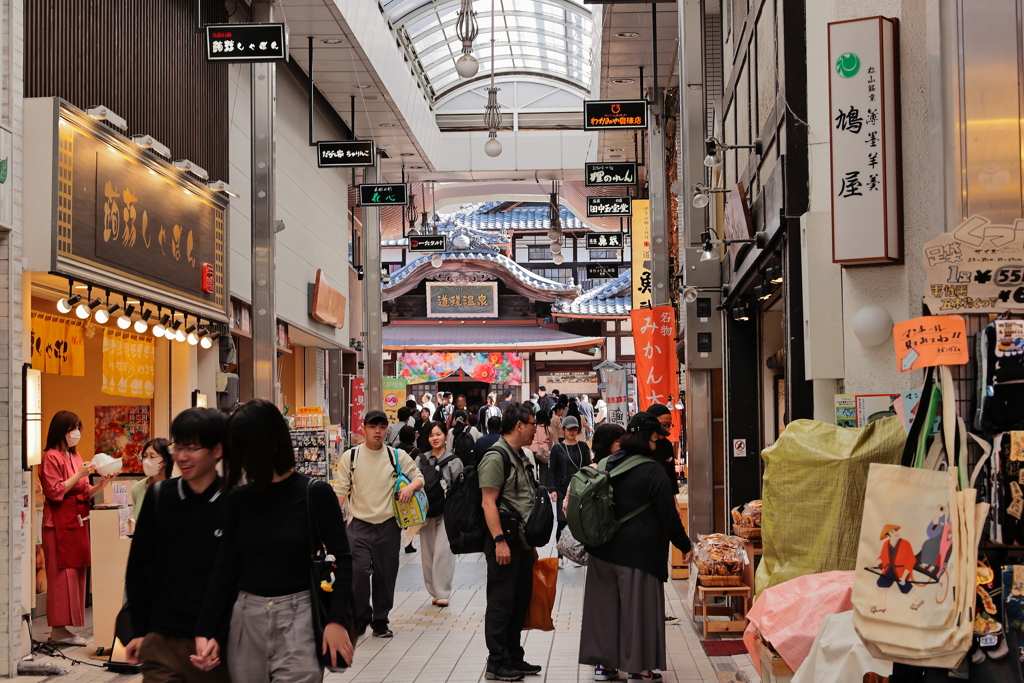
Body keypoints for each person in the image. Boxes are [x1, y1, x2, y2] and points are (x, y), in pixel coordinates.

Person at [194, 399, 354, 680]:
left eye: (243, 449)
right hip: (246, 618)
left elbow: (343, 558)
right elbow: (225, 568)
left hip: (299, 616)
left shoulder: (314, 494)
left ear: (266, 444)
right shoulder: (238, 500)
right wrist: (208, 631)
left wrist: (336, 620)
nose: (239, 459)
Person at [579, 412, 692, 683]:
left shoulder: (605, 462)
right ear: (645, 438)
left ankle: (604, 667)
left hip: (602, 549)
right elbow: (668, 516)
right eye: (655, 437)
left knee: (605, 608)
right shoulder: (652, 470)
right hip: (639, 553)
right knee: (638, 609)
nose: (657, 443)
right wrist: (684, 545)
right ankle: (639, 670)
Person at [125, 408, 230, 681]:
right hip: (162, 641)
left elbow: (237, 576)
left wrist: (219, 634)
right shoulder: (160, 497)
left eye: (192, 447)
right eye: (178, 447)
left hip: (214, 647)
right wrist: (139, 629)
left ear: (217, 450)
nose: (182, 456)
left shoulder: (233, 502)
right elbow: (138, 566)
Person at [334, 409, 424, 638]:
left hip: (389, 526)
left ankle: (380, 621)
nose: (378, 431)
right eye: (373, 427)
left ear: (387, 430)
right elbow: (340, 493)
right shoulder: (351, 457)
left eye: (382, 427)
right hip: (359, 525)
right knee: (358, 572)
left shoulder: (396, 456)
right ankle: (363, 613)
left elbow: (419, 477)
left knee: (386, 575)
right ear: (363, 429)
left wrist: (410, 487)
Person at [39, 410, 115, 645]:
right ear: (62, 430)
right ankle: (58, 629)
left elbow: (84, 492)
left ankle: (64, 629)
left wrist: (102, 484)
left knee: (76, 573)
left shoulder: (75, 456)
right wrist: (80, 474)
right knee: (60, 576)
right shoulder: (50, 457)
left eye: (78, 429)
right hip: (57, 523)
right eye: (73, 428)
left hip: (76, 520)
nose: (77, 433)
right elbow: (54, 491)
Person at [479, 404, 542, 681]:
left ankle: (514, 656)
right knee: (501, 602)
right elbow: (488, 502)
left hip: (523, 543)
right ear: (519, 426)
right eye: (532, 424)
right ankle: (496, 661)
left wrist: (532, 544)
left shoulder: (520, 455)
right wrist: (499, 542)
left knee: (519, 601)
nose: (534, 429)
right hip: (505, 541)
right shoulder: (496, 457)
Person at [415, 421, 463, 607]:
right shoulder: (420, 460)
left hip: (447, 512)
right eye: (431, 435)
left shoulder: (454, 460)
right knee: (427, 552)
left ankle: (442, 592)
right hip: (425, 512)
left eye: (438, 434)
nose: (435, 438)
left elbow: (459, 489)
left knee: (444, 551)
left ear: (446, 436)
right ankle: (433, 591)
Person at [548, 416, 591, 551]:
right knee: (561, 521)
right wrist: (553, 489)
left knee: (579, 521)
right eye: (569, 429)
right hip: (562, 489)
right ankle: (560, 553)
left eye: (575, 429)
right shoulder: (557, 449)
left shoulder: (582, 446)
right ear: (563, 430)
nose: (572, 432)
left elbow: (587, 466)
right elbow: (552, 470)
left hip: (580, 489)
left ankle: (578, 552)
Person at [131, 437, 173, 526]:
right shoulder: (137, 488)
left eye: (152, 456)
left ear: (166, 461)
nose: (146, 461)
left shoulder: (179, 486)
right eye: (145, 456)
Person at [645, 404, 678, 491]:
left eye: (669, 425)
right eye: (664, 425)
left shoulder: (666, 444)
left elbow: (671, 476)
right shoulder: (638, 444)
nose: (667, 429)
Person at [530, 409, 553, 487]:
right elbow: (550, 442)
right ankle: (543, 489)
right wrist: (549, 449)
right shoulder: (548, 429)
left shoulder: (533, 427)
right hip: (544, 452)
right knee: (544, 472)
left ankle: (534, 487)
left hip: (532, 450)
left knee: (533, 471)